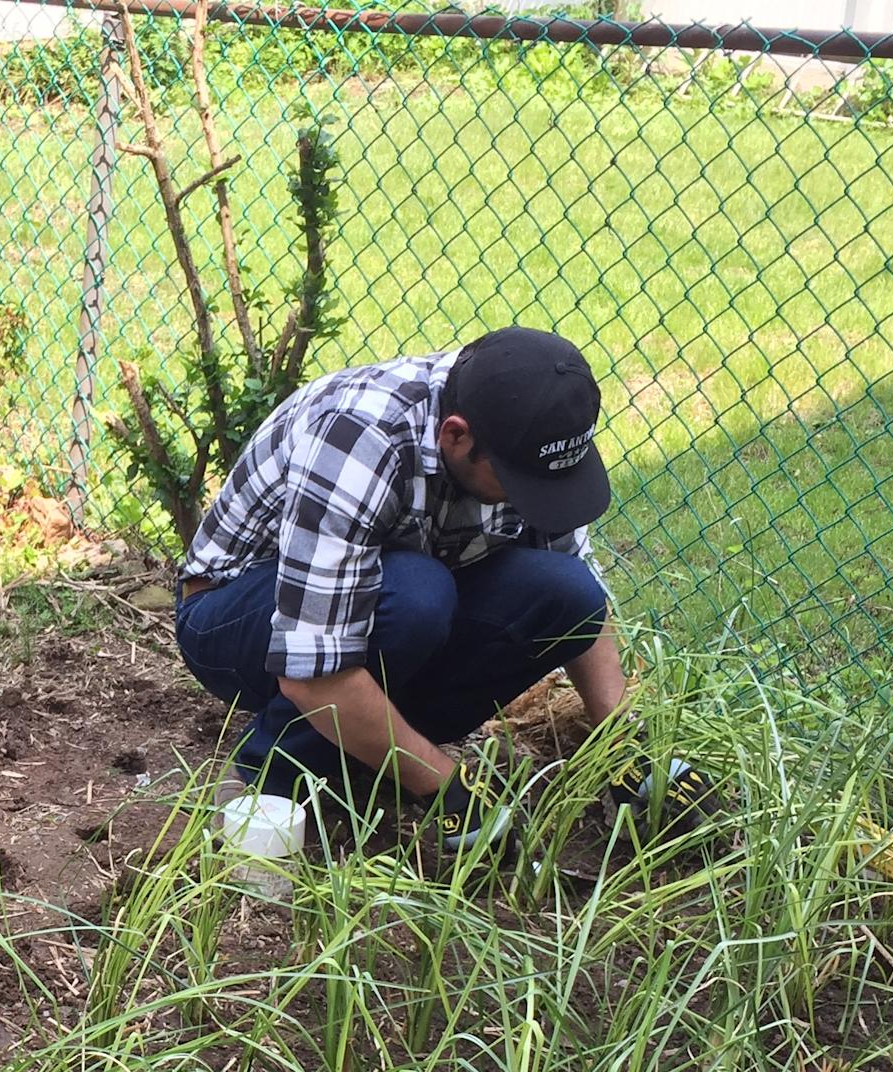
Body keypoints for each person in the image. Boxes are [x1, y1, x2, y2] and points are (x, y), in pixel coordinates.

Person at [171, 326, 627, 846]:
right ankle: (265, 783)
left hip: (380, 615)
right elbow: (308, 668)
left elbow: (577, 595)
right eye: (519, 486)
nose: (531, 504)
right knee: (415, 594)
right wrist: (444, 789)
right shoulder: (362, 435)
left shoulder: (523, 423)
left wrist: (625, 752)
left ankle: (366, 752)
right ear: (456, 436)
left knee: (569, 594)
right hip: (234, 618)